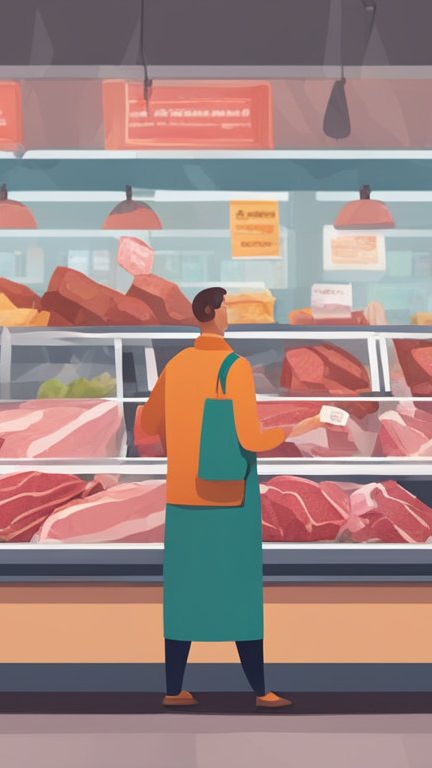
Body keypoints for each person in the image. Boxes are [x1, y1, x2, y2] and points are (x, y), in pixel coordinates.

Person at [137, 286, 292, 710]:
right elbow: (250, 437)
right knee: (239, 597)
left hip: (183, 498)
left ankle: (174, 689)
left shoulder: (177, 364)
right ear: (213, 312)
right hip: (229, 500)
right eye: (226, 307)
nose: (230, 315)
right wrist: (298, 426)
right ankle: (261, 691)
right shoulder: (234, 366)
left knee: (184, 596)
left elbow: (148, 421)